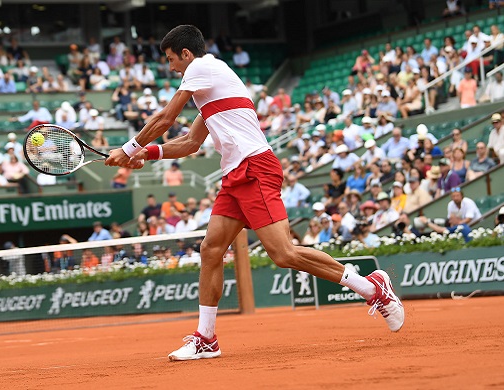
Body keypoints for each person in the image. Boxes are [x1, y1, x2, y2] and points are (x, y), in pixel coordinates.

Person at [104, 25, 404, 361]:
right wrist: (150, 153)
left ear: (186, 54)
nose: (172, 68)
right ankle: (206, 338)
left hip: (256, 168)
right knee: (211, 248)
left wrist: (129, 148)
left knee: (284, 254)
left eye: (173, 60)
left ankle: (371, 287)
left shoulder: (202, 67)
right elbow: (190, 142)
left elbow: (165, 117)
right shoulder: (212, 87)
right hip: (235, 173)